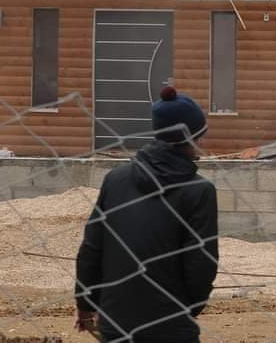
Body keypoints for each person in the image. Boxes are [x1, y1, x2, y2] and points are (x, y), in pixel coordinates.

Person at [75, 87, 218, 342]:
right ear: (192, 138)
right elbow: (201, 263)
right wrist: (189, 309)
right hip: (170, 325)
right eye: (201, 136)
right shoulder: (198, 191)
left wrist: (86, 303)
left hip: (116, 321)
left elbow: (92, 248)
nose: (204, 142)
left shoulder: (116, 180)